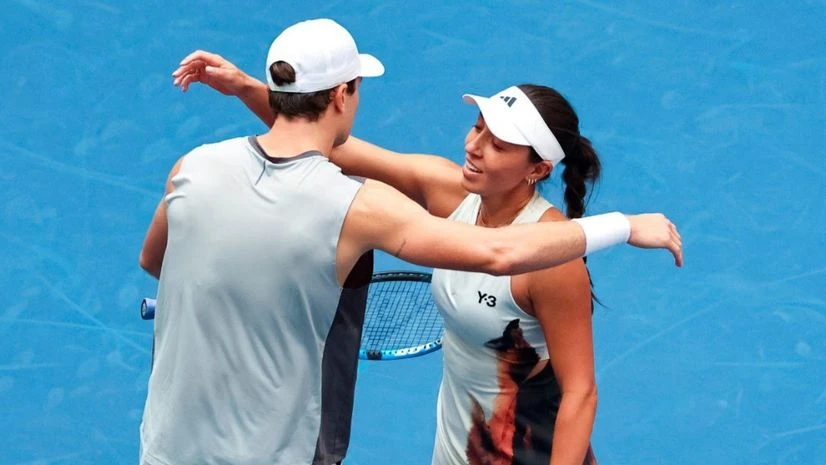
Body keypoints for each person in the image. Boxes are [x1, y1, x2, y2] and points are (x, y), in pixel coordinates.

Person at [142, 18, 681, 465]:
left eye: (497, 145)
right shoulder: (446, 191)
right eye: (477, 128)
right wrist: (249, 90)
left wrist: (623, 225)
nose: (474, 147)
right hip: (456, 449)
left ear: (537, 168)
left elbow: (581, 392)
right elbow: (327, 144)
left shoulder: (554, 260)